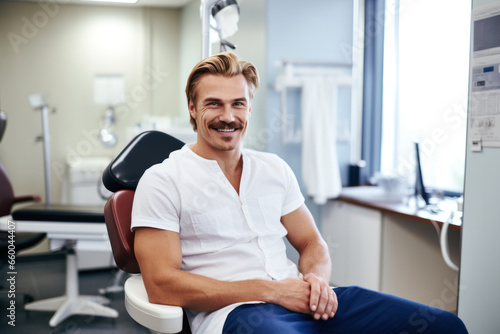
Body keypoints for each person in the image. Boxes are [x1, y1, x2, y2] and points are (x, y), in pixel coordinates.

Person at [131, 52, 468, 334]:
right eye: (214, 104)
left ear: (249, 108)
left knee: (444, 326)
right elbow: (162, 284)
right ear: (192, 107)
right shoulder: (163, 180)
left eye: (238, 104)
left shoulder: (273, 169)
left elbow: (311, 243)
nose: (228, 116)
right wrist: (271, 291)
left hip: (305, 299)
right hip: (240, 315)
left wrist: (317, 281)